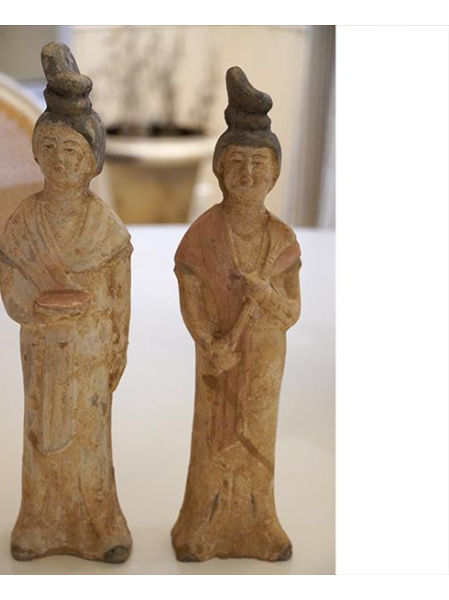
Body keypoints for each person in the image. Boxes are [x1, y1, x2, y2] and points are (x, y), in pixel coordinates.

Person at [0, 42, 132, 564]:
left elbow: (119, 296)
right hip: (42, 349)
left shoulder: (105, 227)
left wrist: (117, 346)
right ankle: (39, 522)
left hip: (91, 353)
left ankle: (97, 525)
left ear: (92, 160)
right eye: (50, 147)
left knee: (89, 439)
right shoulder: (25, 221)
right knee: (41, 434)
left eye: (72, 151)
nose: (60, 160)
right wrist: (32, 309)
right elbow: (11, 282)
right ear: (36, 152)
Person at [171, 67, 301, 562]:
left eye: (259, 164)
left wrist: (264, 294)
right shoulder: (203, 235)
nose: (248, 175)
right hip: (219, 358)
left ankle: (258, 522)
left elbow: (290, 311)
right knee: (214, 439)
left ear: (274, 173)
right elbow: (190, 296)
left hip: (264, 361)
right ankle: (203, 524)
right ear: (220, 169)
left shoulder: (282, 241)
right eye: (238, 163)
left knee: (257, 441)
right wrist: (208, 341)